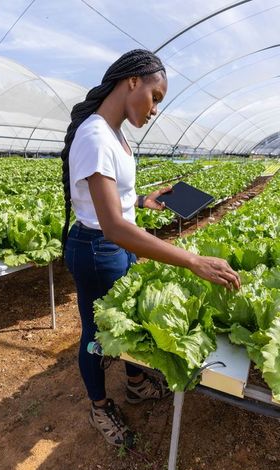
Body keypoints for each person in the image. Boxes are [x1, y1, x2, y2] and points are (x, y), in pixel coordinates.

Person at [61, 49, 240, 449]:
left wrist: (143, 200)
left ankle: (137, 382)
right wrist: (192, 261)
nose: (155, 108)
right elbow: (111, 224)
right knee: (96, 332)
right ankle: (100, 405)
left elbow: (112, 199)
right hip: (97, 247)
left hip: (113, 243)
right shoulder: (93, 135)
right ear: (132, 82)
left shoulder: (114, 134)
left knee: (125, 320)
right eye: (155, 96)